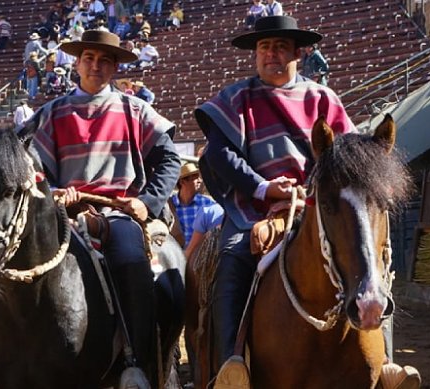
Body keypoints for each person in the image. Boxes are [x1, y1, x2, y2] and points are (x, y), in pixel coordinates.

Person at [193, 15, 358, 383]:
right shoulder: (236, 97)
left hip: (315, 205)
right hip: (253, 208)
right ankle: (230, 367)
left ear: (299, 52)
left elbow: (348, 156)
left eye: (281, 46)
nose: (271, 54)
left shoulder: (323, 98)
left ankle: (383, 364)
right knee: (233, 257)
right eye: (265, 47)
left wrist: (309, 189)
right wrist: (265, 188)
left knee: (365, 254)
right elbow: (219, 155)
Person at [28, 30, 181, 386]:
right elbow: (29, 166)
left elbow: (169, 159)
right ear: (77, 63)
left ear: (114, 67)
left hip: (116, 213)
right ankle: (0, 361)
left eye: (104, 60)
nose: (95, 65)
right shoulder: (51, 112)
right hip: (60, 215)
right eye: (89, 58)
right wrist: (50, 191)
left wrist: (147, 203)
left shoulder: (136, 109)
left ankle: (136, 363)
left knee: (130, 261)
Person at [170, 163, 216, 248]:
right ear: (182, 182)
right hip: (175, 257)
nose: (200, 180)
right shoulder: (169, 205)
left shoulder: (207, 204)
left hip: (198, 258)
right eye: (196, 178)